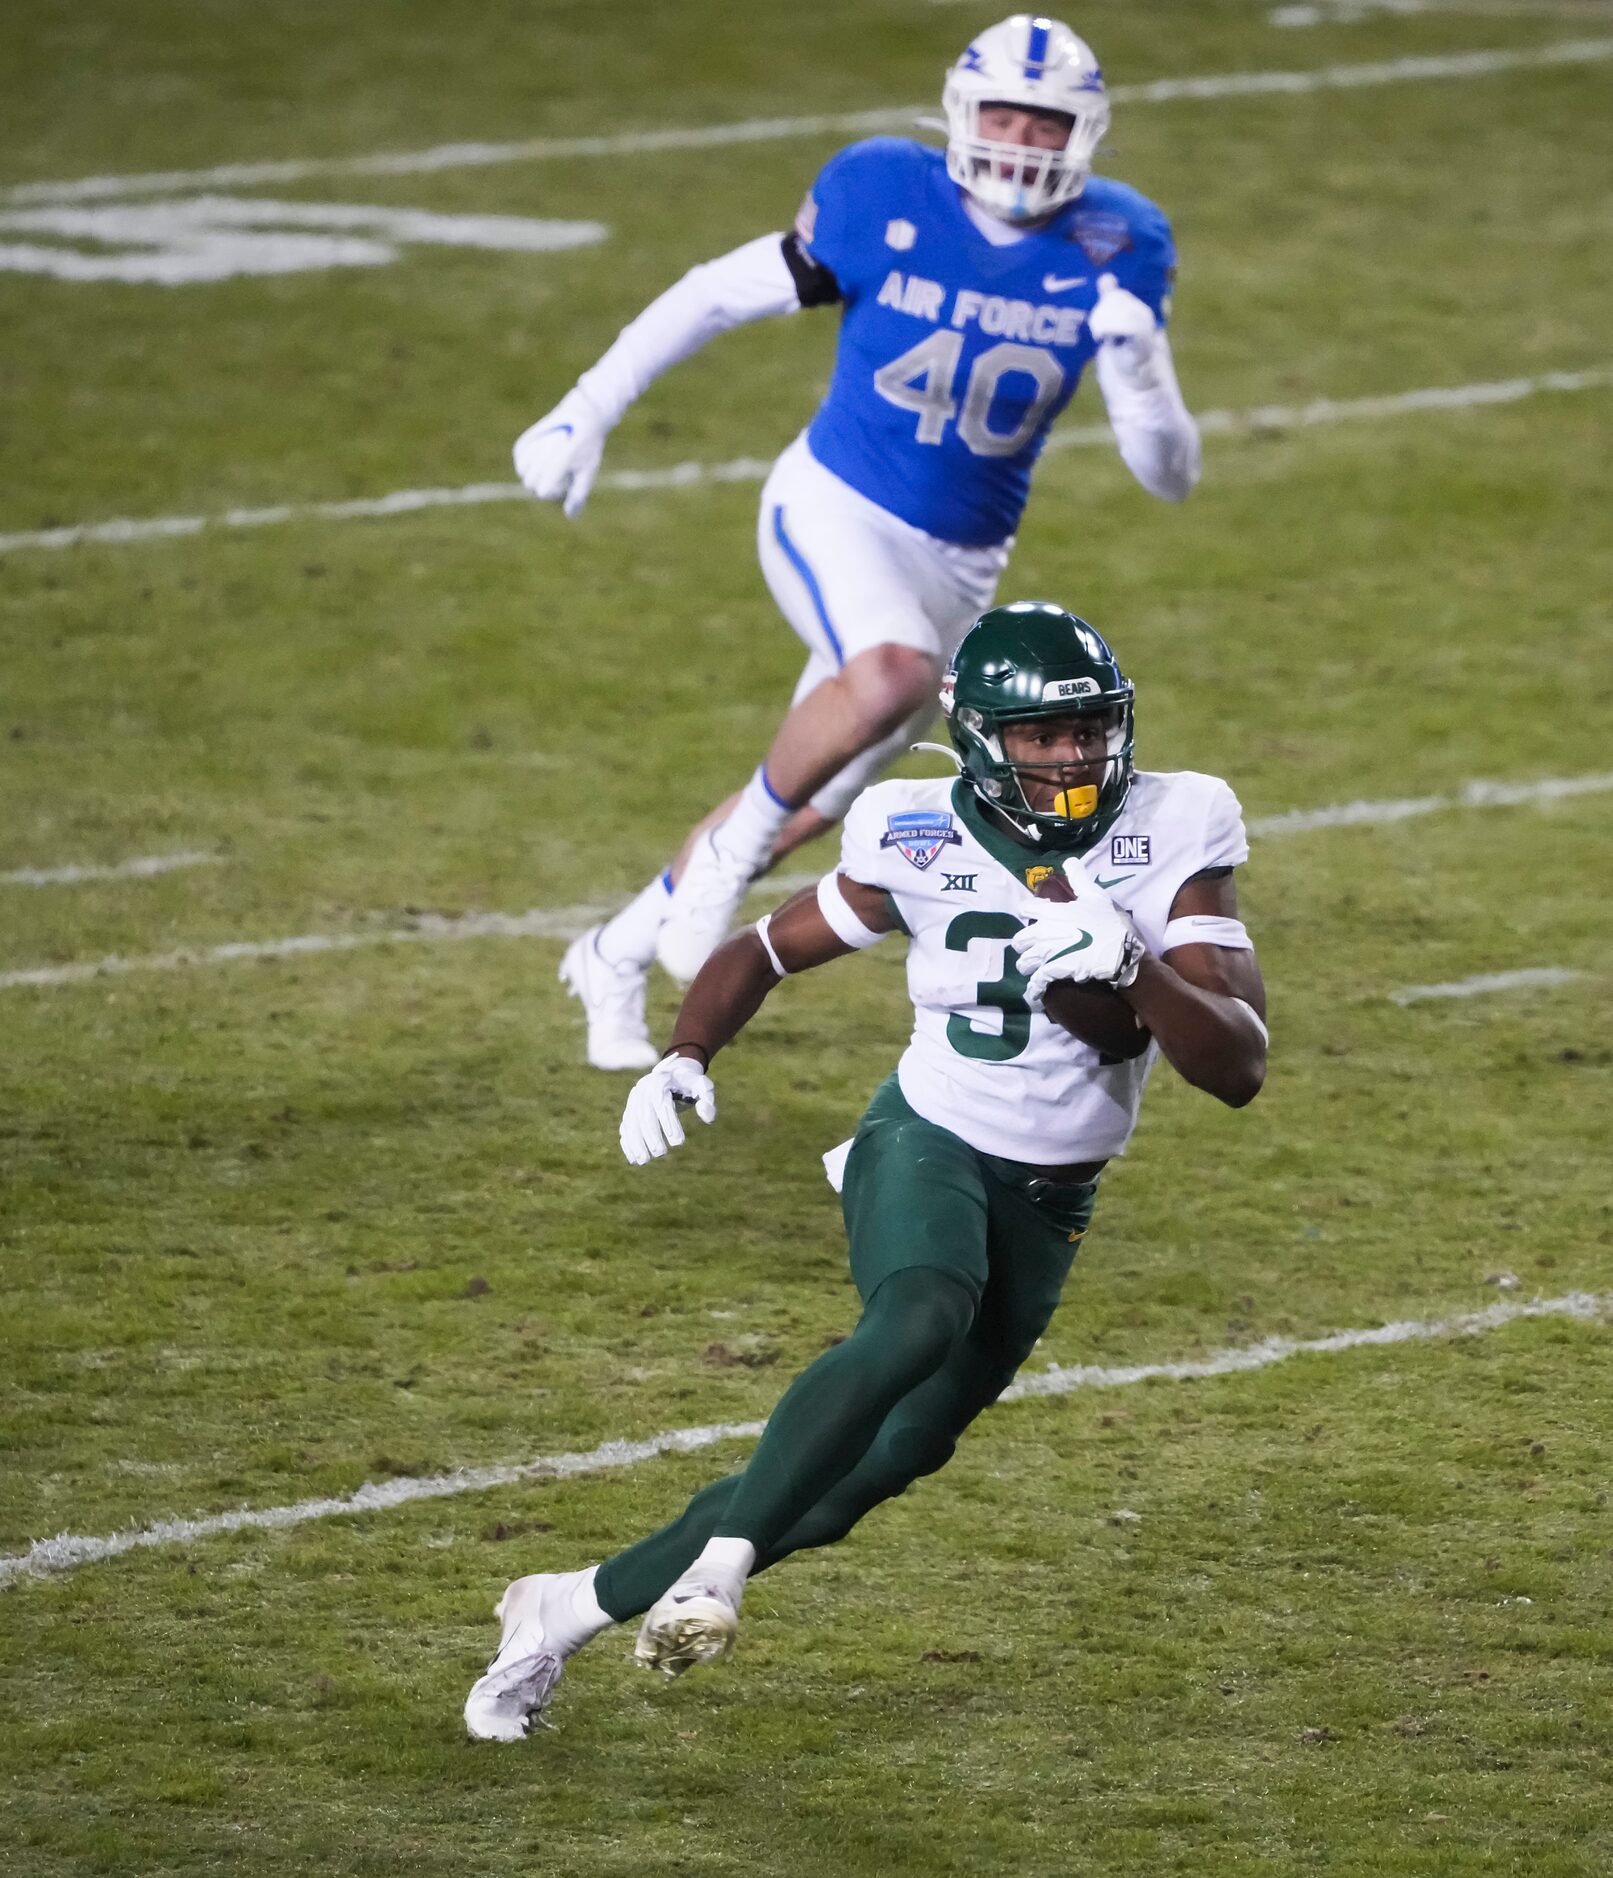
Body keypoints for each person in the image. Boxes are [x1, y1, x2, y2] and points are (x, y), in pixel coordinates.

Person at [464, 602, 1266, 1741]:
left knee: (876, 1464)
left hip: (1054, 1191)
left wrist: (1131, 960)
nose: (1070, 757)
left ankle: (562, 1607)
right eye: (1039, 738)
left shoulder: (1175, 826)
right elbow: (762, 948)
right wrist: (686, 1053)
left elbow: (1232, 1066)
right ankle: (718, 1573)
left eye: (1086, 730)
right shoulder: (915, 831)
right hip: (926, 1135)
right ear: (982, 737)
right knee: (918, 1314)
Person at [518, 14, 1203, 1070]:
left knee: (817, 799)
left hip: (959, 565)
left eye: (1045, 120)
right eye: (1004, 115)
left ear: (1085, 131)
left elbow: (1167, 477)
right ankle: (713, 871)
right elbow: (715, 293)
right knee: (886, 678)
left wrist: (1141, 365)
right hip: (831, 507)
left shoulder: (1117, 240)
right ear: (960, 115)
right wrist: (585, 406)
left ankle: (610, 953)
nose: (1020, 140)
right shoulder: (885, 191)